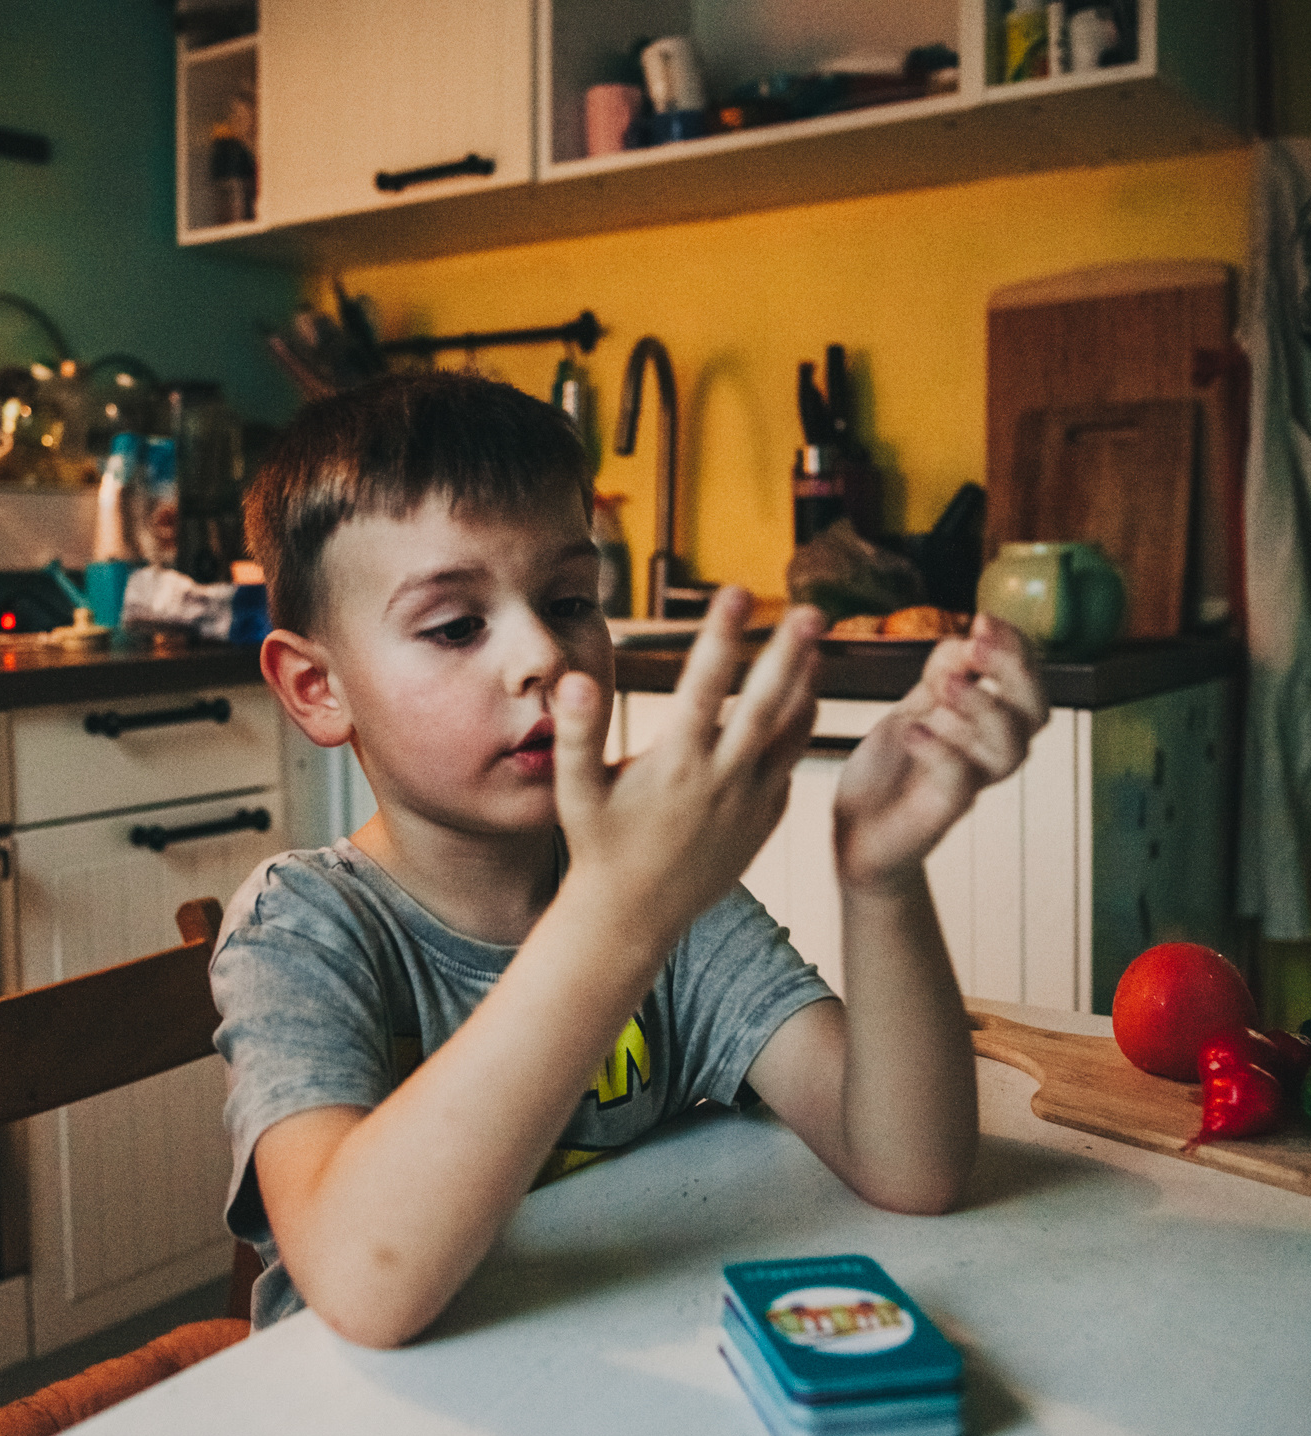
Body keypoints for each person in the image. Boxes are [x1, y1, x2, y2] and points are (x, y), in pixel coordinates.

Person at [215, 372, 1046, 1348]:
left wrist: (883, 878)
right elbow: (364, 1289)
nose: (542, 654)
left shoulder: (664, 898)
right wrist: (618, 915)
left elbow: (912, 1166)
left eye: (569, 601)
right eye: (456, 625)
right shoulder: (304, 926)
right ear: (317, 687)